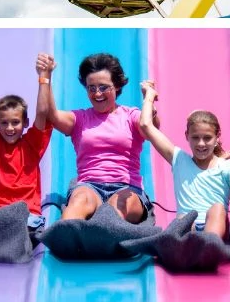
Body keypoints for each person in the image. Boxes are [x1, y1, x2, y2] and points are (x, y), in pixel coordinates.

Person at [37, 52, 152, 224]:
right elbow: (49, 114)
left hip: (127, 189)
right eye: (91, 88)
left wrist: (148, 99)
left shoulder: (131, 116)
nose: (97, 93)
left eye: (104, 87)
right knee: (79, 200)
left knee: (117, 205)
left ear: (117, 86)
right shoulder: (80, 119)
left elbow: (149, 125)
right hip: (89, 186)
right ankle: (66, 235)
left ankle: (105, 234)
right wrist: (45, 77)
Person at [138, 81, 230, 236]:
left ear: (217, 137)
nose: (201, 143)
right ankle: (188, 245)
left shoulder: (228, 167)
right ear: (187, 136)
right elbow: (146, 125)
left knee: (217, 208)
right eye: (195, 138)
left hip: (216, 227)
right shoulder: (179, 159)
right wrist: (149, 96)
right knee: (184, 219)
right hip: (188, 228)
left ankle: (209, 243)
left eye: (207, 138)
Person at [0, 43, 51, 235]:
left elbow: (42, 111)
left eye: (15, 122)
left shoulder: (32, 145)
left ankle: (15, 237)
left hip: (24, 211)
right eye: (4, 123)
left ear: (25, 123)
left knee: (29, 225)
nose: (9, 128)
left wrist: (44, 76)